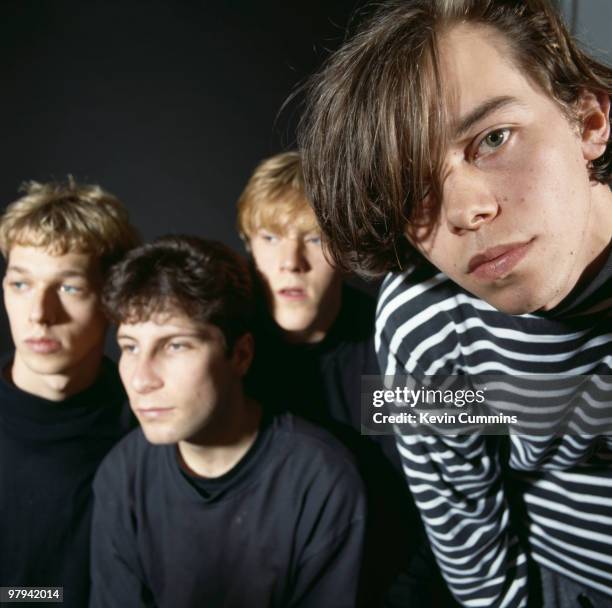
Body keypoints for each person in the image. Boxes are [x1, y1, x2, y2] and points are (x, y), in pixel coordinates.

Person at [299, 1, 612, 606]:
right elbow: (465, 527)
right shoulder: (425, 321)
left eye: (493, 139)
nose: (466, 210)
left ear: (590, 120)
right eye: (413, 186)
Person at [90, 235, 367, 608]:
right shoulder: (121, 475)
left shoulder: (322, 480)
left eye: (175, 345)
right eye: (129, 347)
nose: (141, 380)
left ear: (239, 355)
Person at [237, 151, 456, 607]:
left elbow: (442, 505)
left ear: (344, 249)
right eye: (270, 237)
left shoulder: (394, 343)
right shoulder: (228, 354)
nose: (291, 261)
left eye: (314, 238)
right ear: (248, 244)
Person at [0, 178, 139, 607]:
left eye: (68, 287)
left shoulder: (149, 420)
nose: (39, 314)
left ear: (111, 300)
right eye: (20, 284)